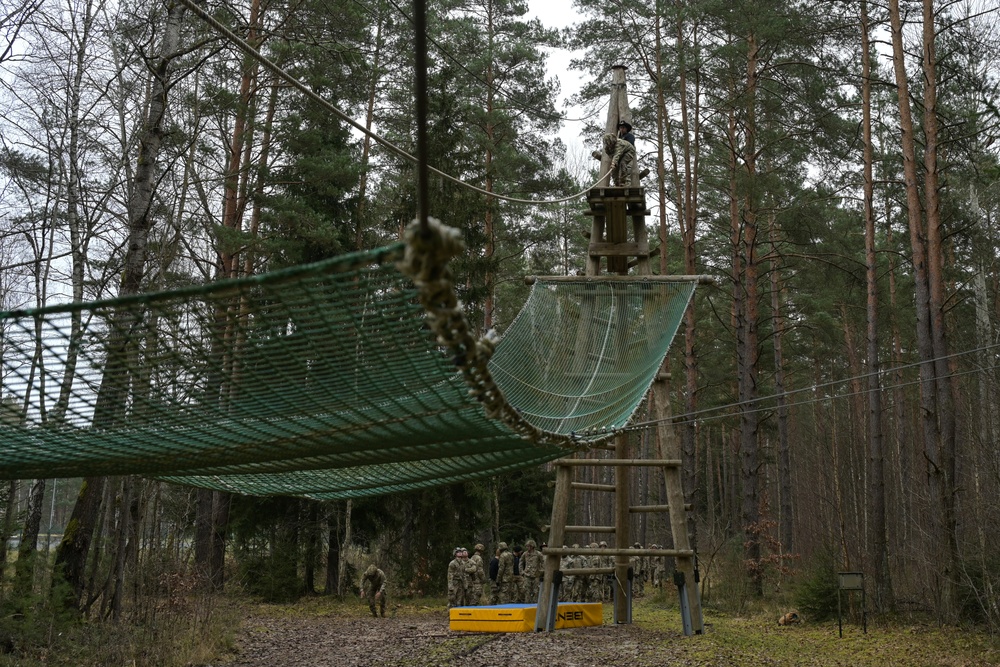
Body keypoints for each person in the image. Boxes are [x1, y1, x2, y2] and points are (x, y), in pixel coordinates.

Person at [519, 539, 544, 603]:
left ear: (532, 546)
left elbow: (543, 562)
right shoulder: (525, 554)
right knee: (527, 590)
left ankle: (535, 604)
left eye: (528, 546)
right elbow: (521, 562)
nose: (527, 547)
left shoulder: (538, 554)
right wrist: (521, 571)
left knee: (536, 591)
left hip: (536, 575)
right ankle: (527, 603)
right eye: (526, 546)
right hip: (527, 575)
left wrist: (542, 571)